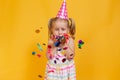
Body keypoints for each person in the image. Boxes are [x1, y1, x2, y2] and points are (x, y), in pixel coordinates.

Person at [44, 0, 76, 80]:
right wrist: (55, 45)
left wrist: (65, 45)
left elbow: (70, 57)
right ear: (52, 30)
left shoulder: (70, 40)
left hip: (66, 69)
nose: (60, 32)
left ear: (68, 30)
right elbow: (48, 57)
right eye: (57, 29)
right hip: (53, 69)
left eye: (63, 29)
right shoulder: (51, 41)